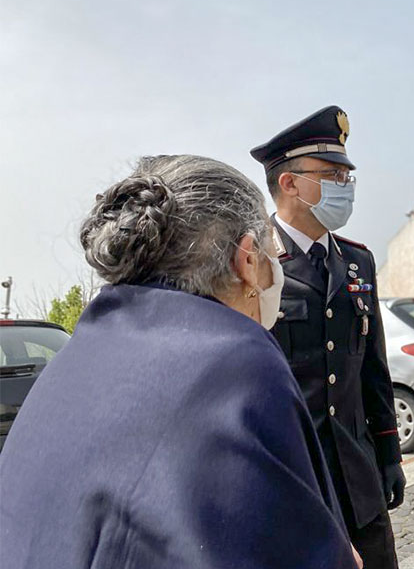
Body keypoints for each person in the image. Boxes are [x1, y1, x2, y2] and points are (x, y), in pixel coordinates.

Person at [0, 155, 361, 569]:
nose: (275, 270)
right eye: (271, 254)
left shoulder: (77, 352)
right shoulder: (239, 361)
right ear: (247, 259)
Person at [250, 106, 405, 569]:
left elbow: (373, 369)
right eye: (332, 174)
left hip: (360, 480)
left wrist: (389, 454)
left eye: (346, 175)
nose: (345, 184)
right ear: (289, 183)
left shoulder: (357, 262)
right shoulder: (253, 264)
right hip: (293, 478)